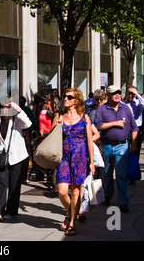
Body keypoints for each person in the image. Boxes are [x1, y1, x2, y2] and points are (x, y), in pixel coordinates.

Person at [51, 88, 94, 236]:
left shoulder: (84, 118)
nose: (65, 99)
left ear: (76, 101)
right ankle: (71, 212)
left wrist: (92, 162)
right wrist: (58, 124)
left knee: (76, 190)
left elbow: (89, 141)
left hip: (80, 157)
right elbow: (51, 137)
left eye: (69, 97)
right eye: (65, 96)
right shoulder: (59, 115)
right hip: (63, 157)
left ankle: (71, 222)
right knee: (62, 191)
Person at [94, 85, 138, 213]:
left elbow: (134, 127)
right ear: (108, 95)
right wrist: (115, 123)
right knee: (107, 174)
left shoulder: (126, 108)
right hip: (107, 146)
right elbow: (98, 126)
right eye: (114, 93)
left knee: (121, 175)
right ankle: (107, 195)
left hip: (122, 146)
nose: (118, 95)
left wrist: (134, 144)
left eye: (119, 92)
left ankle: (123, 202)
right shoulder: (102, 108)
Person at [0, 100, 32, 221]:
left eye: (9, 107)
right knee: (1, 183)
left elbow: (28, 124)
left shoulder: (17, 118)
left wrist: (18, 110)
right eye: (4, 106)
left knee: (14, 185)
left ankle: (11, 211)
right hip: (1, 155)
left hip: (17, 156)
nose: (6, 109)